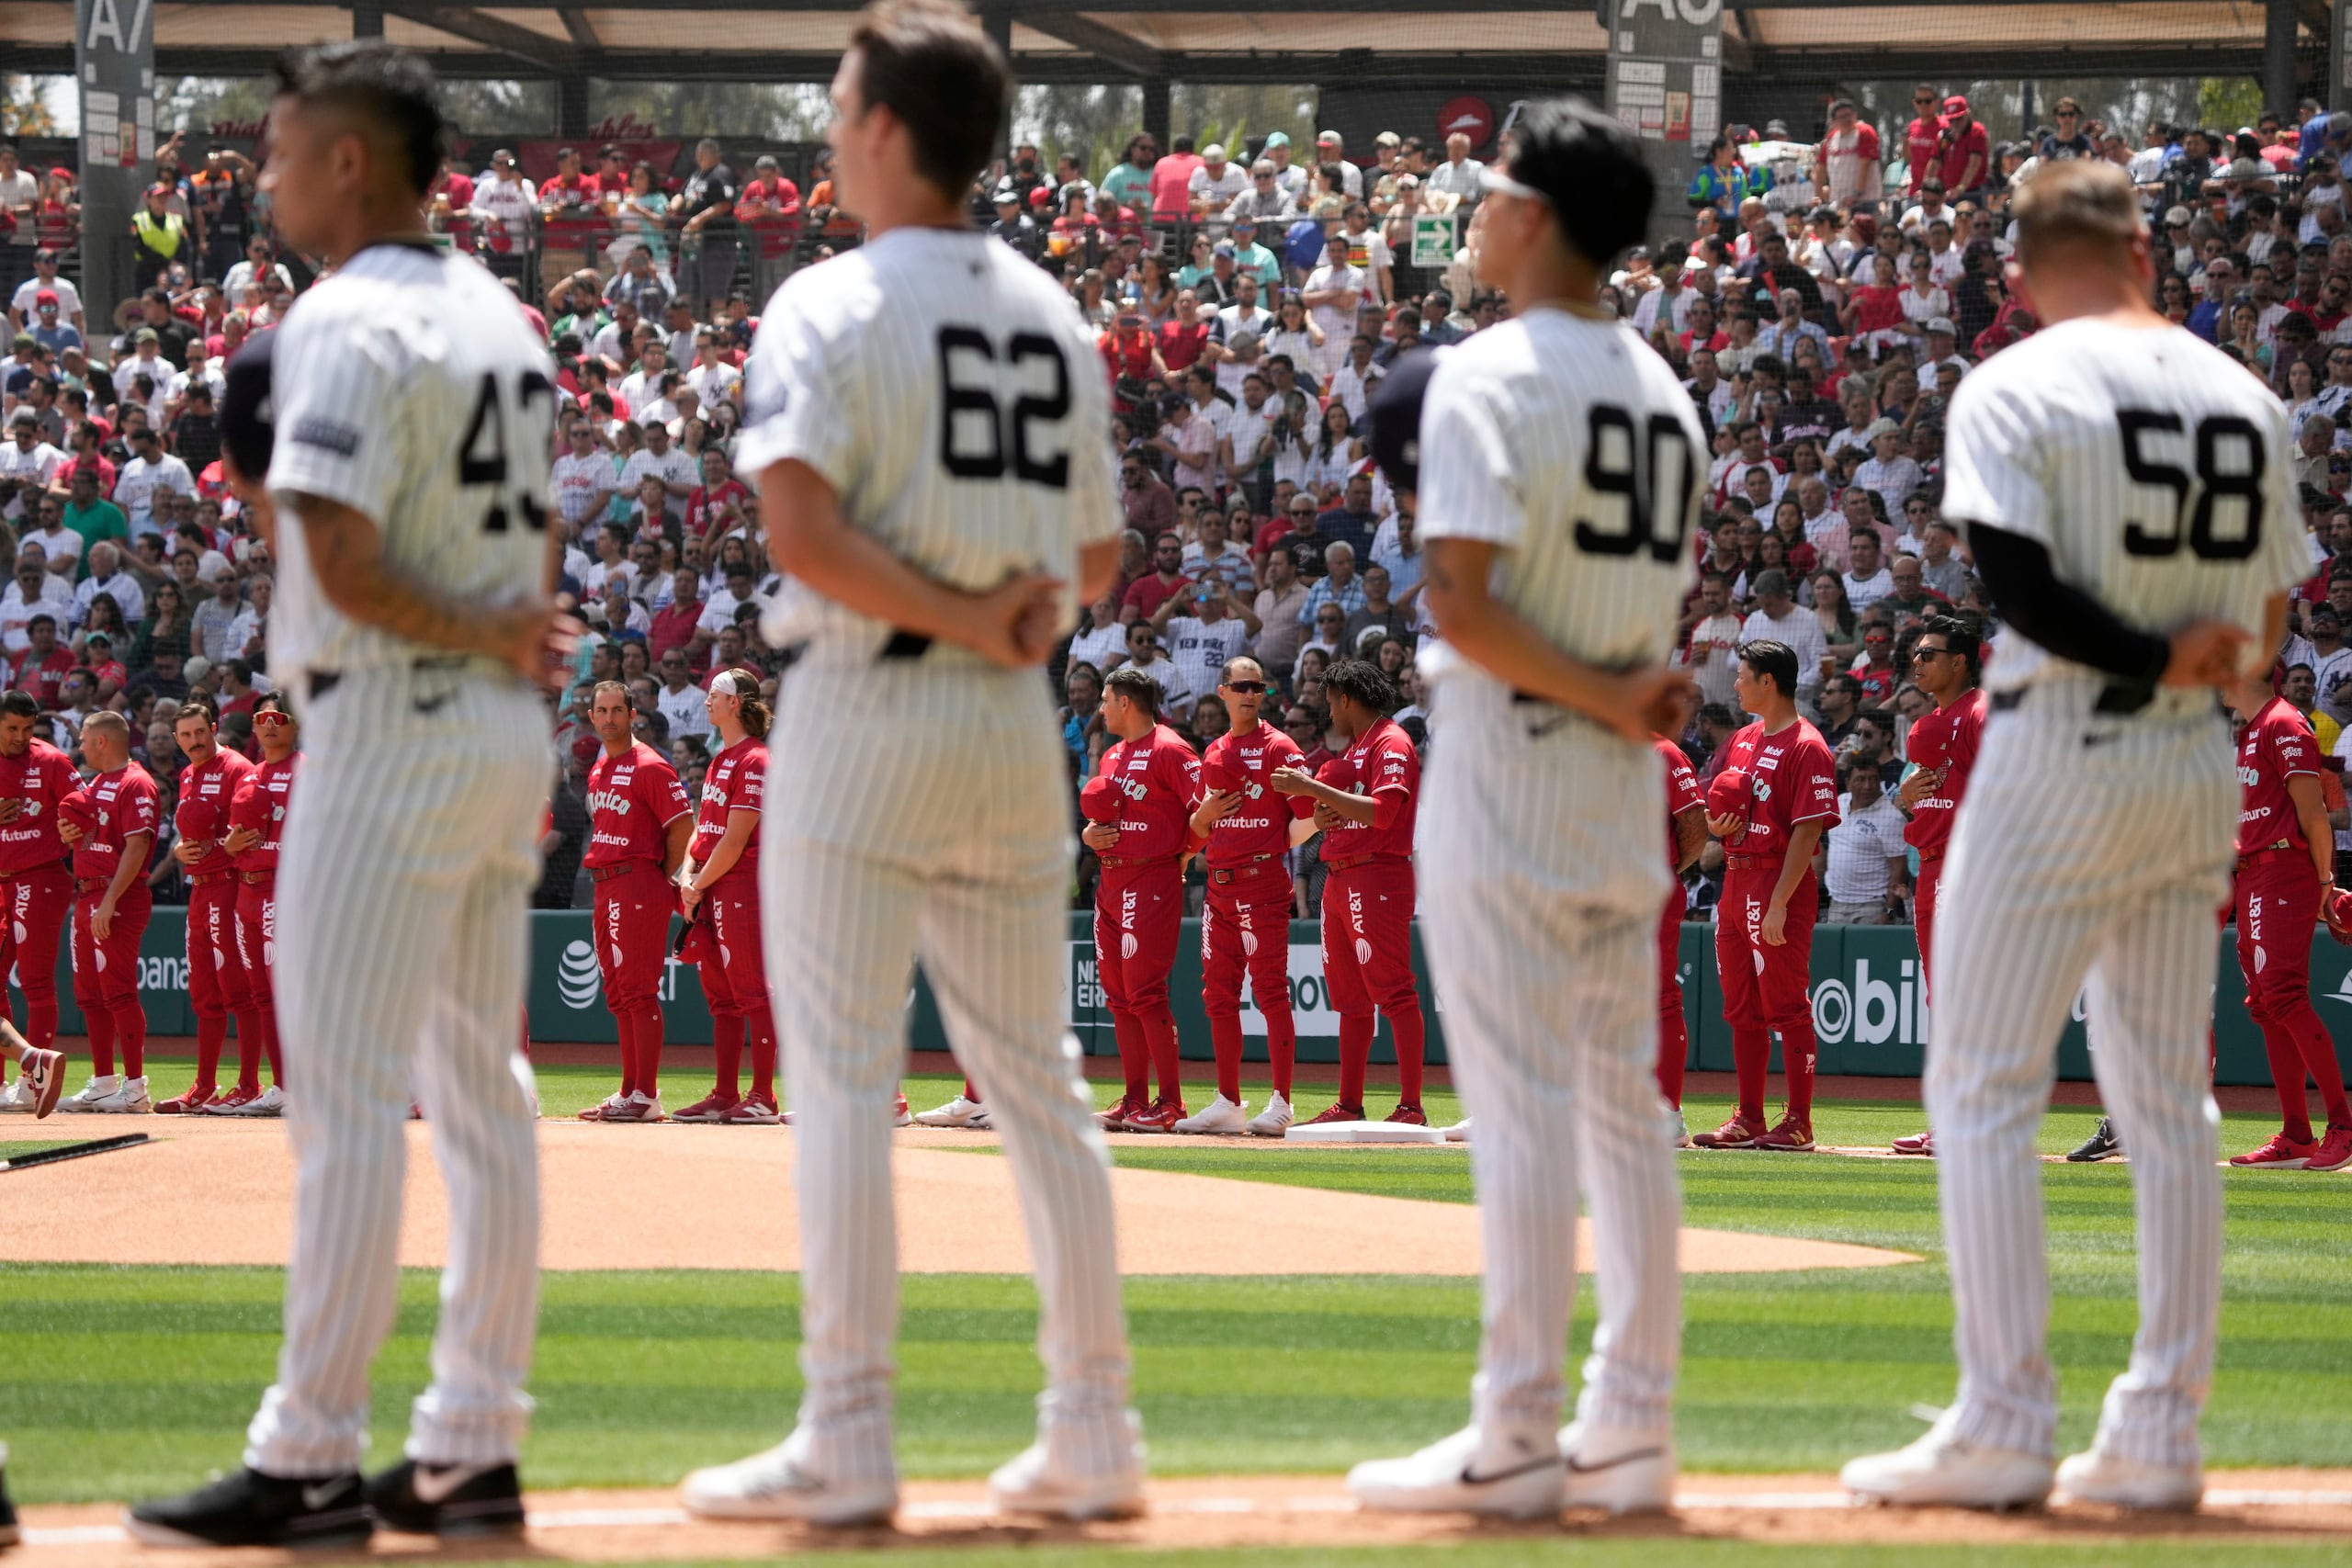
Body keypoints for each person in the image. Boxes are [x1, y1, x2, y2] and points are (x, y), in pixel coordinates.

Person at [680, 0, 1145, 1529]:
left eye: (836, 105)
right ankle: (1093, 1428)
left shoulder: (823, 300)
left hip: (867, 715)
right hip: (1014, 724)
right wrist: (1014, 620)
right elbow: (1095, 550)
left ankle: (849, 1434)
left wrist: (954, 610)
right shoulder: (1048, 308)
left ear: (887, 128)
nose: (826, 130)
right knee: (1040, 1087)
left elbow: (802, 533)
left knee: (844, 1082)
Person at [127, 41, 576, 1549]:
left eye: (282, 149)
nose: (264, 176)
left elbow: (339, 556)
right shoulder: (508, 321)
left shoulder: (339, 317)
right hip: (500, 732)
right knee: (484, 1085)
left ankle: (309, 1448)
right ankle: (471, 1443)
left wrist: (481, 627)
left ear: (349, 163)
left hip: (387, 727)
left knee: (345, 1098)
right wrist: (508, 636)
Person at [1841, 161, 2313, 1514]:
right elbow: (2270, 619)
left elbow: (2015, 582)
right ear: (2144, 252)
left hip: (2065, 746)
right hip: (2192, 770)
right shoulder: (2247, 395)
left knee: (1983, 1081)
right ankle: (2161, 1424)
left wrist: (2153, 659)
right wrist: (2208, 671)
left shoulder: (2018, 379)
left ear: (2020, 273)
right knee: (2170, 1097)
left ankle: (2004, 1414)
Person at [1341, 120, 1702, 1524]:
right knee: (1627, 1106)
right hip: (1620, 774)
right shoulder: (1665, 386)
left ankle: (1515, 1428)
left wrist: (1608, 692)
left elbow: (1467, 607)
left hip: (1516, 750)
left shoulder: (1488, 373)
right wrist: (1624, 694)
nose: (1474, 214)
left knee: (1520, 1107)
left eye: (1491, 195)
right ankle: (1636, 1424)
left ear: (1539, 215)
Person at [1268, 658, 1427, 1126]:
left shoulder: (1391, 740)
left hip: (1378, 874)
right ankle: (1350, 1103)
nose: (1328, 712)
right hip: (1340, 878)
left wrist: (1311, 785)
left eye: (1329, 701)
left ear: (1345, 698)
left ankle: (1411, 1106)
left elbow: (1382, 813)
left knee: (1395, 992)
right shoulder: (1359, 743)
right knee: (1350, 1001)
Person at [1695, 640, 1838, 1151]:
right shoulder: (1741, 739)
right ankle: (1750, 1118)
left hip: (1778, 881)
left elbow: (1807, 831)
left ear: (1768, 682)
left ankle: (1799, 1122)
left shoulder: (1808, 745)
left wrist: (1779, 901)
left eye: (1743, 675)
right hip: (1735, 879)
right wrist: (1716, 824)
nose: (1736, 683)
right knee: (1741, 1008)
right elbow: (1717, 809)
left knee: (1787, 1006)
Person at [1182, 656, 1316, 1136]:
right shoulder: (1213, 751)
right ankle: (1227, 1101)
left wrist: (1269, 844)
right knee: (1217, 995)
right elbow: (1196, 829)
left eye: (1257, 687)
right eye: (1240, 686)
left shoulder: (1281, 747)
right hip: (1219, 885)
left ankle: (1282, 1102)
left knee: (1271, 992)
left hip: (1262, 884)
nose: (1250, 693)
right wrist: (1206, 813)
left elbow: (1310, 818)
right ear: (1223, 691)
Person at [1081, 665, 1203, 1132]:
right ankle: (1134, 1100)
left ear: (1125, 702)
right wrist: (1090, 835)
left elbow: (1206, 808)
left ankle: (1170, 1103)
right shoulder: (1111, 756)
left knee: (1146, 993)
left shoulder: (1171, 749)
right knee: (1118, 997)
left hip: (1151, 879)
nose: (1102, 707)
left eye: (1106, 700)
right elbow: (1103, 818)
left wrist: (1184, 855)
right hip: (1110, 883)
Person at [1883, 615, 1986, 1158]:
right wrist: (1905, 799)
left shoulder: (1981, 713)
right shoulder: (1925, 726)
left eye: (1929, 654)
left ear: (1959, 661)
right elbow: (1922, 803)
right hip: (1932, 866)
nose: (1917, 662)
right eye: (1916, 654)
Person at [578, 680, 694, 1124]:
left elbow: (683, 828)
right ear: (591, 716)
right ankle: (630, 1090)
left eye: (616, 710)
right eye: (601, 711)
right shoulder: (599, 768)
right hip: (605, 883)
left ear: (632, 715)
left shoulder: (650, 766)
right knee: (620, 993)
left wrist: (659, 874)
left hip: (637, 882)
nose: (609, 718)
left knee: (639, 991)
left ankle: (646, 1094)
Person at [666, 670, 778, 1123]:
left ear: (737, 704)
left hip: (739, 886)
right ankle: (726, 1093)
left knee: (751, 991)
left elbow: (734, 841)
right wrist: (689, 878)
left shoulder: (756, 760)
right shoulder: (718, 759)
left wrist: (698, 882)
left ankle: (763, 1097)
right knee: (722, 998)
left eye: (716, 694)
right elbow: (703, 831)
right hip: (709, 886)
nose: (708, 700)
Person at [153, 693, 258, 1114]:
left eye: (200, 732)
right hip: (200, 888)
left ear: (214, 729)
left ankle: (249, 1084)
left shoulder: (236, 768)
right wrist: (179, 850)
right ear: (177, 739)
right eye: (186, 735)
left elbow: (250, 828)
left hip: (231, 887)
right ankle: (204, 1086)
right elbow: (190, 833)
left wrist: (220, 847)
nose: (194, 741)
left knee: (238, 989)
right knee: (203, 991)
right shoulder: (187, 775)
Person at [53, 711, 158, 1114]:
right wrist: (70, 835)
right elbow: (91, 835)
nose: (79, 745)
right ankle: (102, 1082)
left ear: (102, 741)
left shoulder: (137, 782)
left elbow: (137, 846)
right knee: (90, 996)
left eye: (84, 738)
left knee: (118, 992)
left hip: (117, 898)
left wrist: (111, 900)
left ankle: (134, 1088)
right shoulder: (96, 783)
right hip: (87, 895)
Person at [218, 691, 299, 1118]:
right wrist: (229, 845)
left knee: (285, 991)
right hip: (246, 891)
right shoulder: (251, 776)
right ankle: (282, 1086)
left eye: (279, 717)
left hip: (283, 892)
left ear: (295, 725)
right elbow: (233, 838)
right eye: (263, 718)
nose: (270, 724)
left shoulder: (307, 771)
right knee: (261, 994)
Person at [0, 690, 76, 1112]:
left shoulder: (50, 760)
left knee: (35, 981)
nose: (20, 737)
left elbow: (80, 804)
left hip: (40, 876)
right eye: (12, 728)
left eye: (27, 729)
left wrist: (73, 822)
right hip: (2, 880)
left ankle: (33, 1080)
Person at [1655, 734, 1709, 1142]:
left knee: (1659, 998)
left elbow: (1694, 826)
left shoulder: (1665, 752)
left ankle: (1668, 1113)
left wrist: (1668, 867)